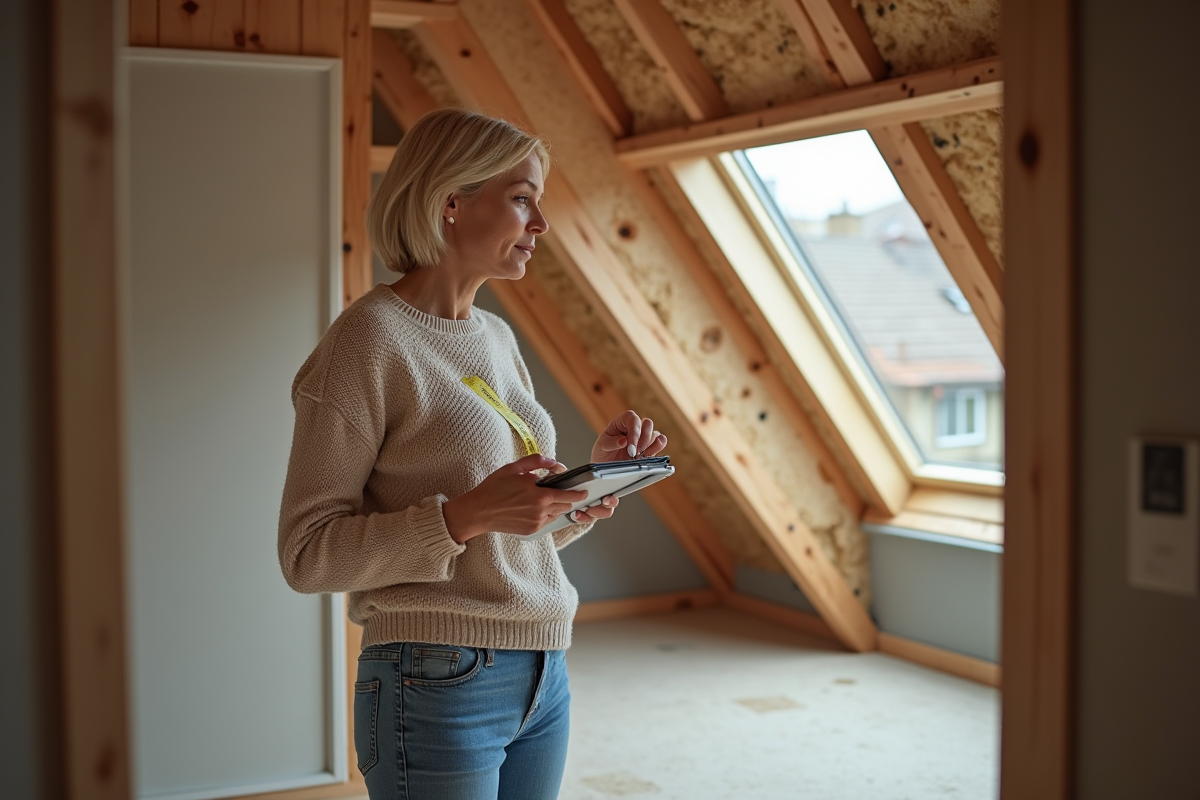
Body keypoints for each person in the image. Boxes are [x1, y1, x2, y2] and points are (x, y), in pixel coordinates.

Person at [277, 108, 668, 800]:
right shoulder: (365, 343)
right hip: (433, 677)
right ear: (450, 202)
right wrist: (460, 516)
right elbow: (308, 556)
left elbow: (499, 537)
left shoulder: (494, 336)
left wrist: (580, 492)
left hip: (544, 670)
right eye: (522, 199)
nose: (540, 224)